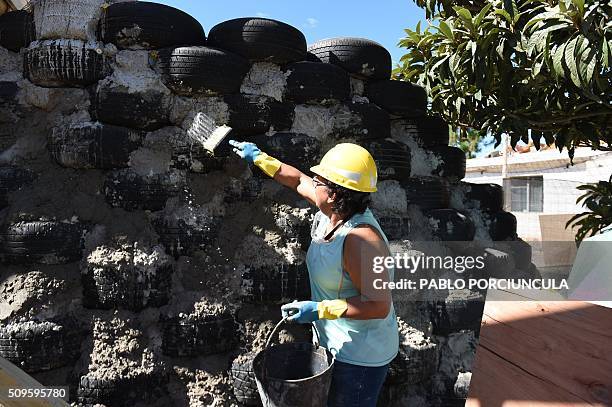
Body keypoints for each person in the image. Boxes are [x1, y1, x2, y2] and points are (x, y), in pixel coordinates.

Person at [229, 139, 399, 407]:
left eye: (320, 180)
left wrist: (320, 310)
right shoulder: (331, 213)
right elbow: (296, 180)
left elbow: (378, 304)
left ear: (333, 193)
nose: (313, 182)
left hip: (360, 357)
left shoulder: (361, 239)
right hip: (335, 343)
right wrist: (260, 158)